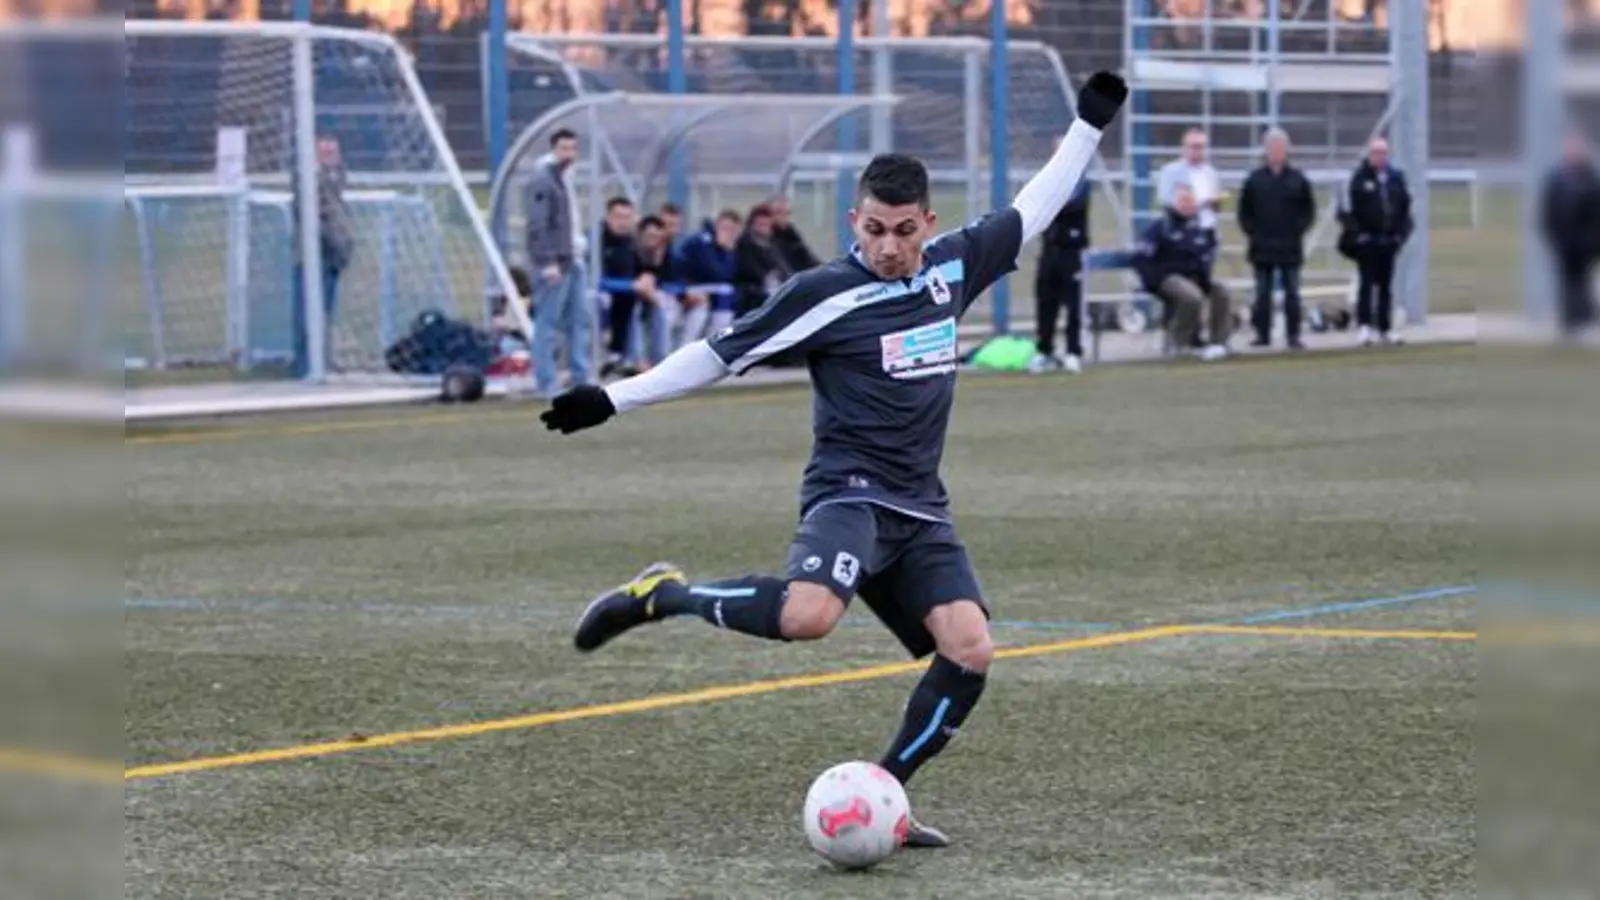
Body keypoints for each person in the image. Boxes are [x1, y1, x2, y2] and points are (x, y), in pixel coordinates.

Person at [537, 72, 1128, 848]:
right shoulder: (822, 293)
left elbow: (1036, 206)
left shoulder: (954, 269)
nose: (888, 246)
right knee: (808, 618)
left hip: (920, 508)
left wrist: (1088, 124)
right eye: (875, 228)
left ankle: (886, 798)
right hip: (848, 494)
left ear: (928, 224)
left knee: (971, 651)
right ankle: (664, 595)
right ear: (856, 220)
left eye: (904, 230)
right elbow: (717, 355)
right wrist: (612, 398)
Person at [525, 128, 593, 394]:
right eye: (563, 148)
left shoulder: (566, 178)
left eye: (572, 148)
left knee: (579, 319)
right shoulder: (544, 180)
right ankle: (546, 381)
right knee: (548, 321)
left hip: (573, 258)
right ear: (553, 149)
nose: (569, 153)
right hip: (556, 262)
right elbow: (537, 224)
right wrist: (546, 261)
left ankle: (580, 376)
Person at [1133, 184, 1232, 361]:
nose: (1188, 205)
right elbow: (1140, 257)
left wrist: (1204, 277)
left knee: (1222, 291)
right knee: (1191, 297)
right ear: (1174, 203)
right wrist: (1154, 280)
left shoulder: (1201, 228)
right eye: (1184, 200)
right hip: (1168, 278)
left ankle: (1218, 343)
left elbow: (1206, 256)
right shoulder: (1161, 227)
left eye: (1191, 201)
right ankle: (1177, 343)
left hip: (1195, 277)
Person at [1238, 127, 1316, 350]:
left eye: (1280, 147)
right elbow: (1244, 212)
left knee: (1292, 292)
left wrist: (1297, 230)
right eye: (1272, 148)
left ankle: (1293, 335)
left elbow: (1308, 210)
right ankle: (1263, 335)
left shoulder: (1298, 179)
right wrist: (1254, 232)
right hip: (1262, 246)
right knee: (1263, 293)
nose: (1276, 152)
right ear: (1266, 150)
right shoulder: (1255, 180)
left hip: (1290, 246)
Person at [1341, 136, 1413, 346]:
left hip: (1388, 241)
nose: (1380, 157)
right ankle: (1364, 327)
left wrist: (1400, 235)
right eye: (1376, 153)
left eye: (1384, 153)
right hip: (1367, 241)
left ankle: (1385, 327)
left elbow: (1404, 207)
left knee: (1385, 286)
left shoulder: (1395, 178)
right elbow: (1348, 211)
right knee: (1366, 285)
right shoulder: (1359, 178)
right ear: (1369, 154)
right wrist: (1358, 235)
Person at [1541, 130, 1600, 339]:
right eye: (1571, 149)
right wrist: (1552, 236)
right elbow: (1547, 210)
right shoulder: (1556, 179)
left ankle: (1584, 319)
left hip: (1587, 242)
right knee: (1566, 282)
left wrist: (1593, 240)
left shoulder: (1592, 178)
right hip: (1564, 241)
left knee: (1583, 280)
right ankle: (1569, 324)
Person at [1030, 171, 1091, 374]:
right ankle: (1044, 351)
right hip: (1049, 252)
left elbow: (1072, 205)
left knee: (1074, 306)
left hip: (1071, 254)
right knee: (1045, 302)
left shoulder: (1080, 182)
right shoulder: (1049, 178)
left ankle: (1073, 352)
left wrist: (1051, 202)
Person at [676, 209, 742, 341]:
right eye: (725, 228)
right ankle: (684, 347)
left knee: (727, 301)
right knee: (701, 308)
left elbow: (729, 277)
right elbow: (713, 272)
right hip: (687, 288)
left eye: (732, 230)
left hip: (712, 292)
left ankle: (713, 345)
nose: (727, 233)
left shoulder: (728, 249)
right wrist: (726, 251)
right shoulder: (702, 241)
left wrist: (727, 251)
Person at [597, 196, 640, 378]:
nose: (622, 222)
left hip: (626, 296)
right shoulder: (597, 241)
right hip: (600, 295)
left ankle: (632, 359)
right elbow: (595, 280)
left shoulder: (632, 243)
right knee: (604, 301)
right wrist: (630, 285)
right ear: (607, 216)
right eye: (618, 216)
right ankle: (604, 357)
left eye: (627, 217)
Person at [732, 203, 795, 317]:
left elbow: (784, 269)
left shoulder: (772, 245)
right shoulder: (745, 245)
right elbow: (751, 272)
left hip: (774, 291)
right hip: (752, 294)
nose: (763, 228)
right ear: (752, 225)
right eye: (760, 224)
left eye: (766, 225)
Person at [1158, 127, 1222, 235]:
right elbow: (1165, 198)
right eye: (1194, 146)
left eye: (1201, 147)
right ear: (1184, 148)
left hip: (1208, 227)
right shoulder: (1171, 171)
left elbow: (1216, 202)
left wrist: (1216, 200)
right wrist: (1189, 204)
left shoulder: (1210, 172)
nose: (1198, 151)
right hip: (1182, 229)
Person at [765, 193, 821, 273]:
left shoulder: (791, 235)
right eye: (778, 212)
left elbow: (809, 259)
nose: (783, 217)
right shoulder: (764, 240)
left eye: (787, 213)